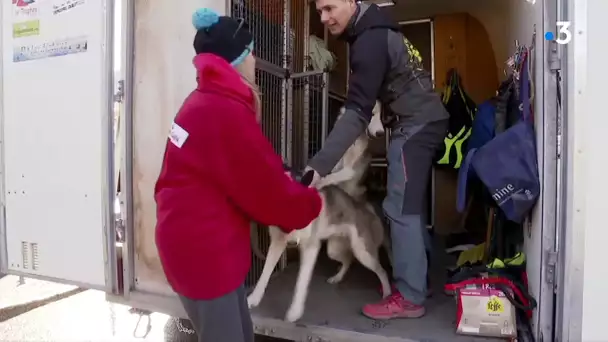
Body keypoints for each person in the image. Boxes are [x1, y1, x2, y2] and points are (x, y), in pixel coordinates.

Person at [154, 8, 323, 342]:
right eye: (251, 53)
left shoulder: (205, 102)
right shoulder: (223, 111)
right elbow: (267, 194)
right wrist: (309, 203)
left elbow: (248, 166)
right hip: (204, 256)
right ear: (236, 60)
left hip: (194, 247)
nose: (255, 61)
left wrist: (282, 176)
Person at [307, 0, 450, 320]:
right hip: (422, 120)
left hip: (416, 125)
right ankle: (421, 280)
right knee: (409, 205)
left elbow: (356, 111)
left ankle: (410, 295)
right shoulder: (377, 29)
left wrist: (318, 166)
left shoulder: (369, 40)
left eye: (329, 8)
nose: (324, 18)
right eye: (319, 12)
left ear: (351, 2)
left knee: (399, 208)